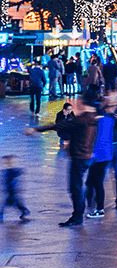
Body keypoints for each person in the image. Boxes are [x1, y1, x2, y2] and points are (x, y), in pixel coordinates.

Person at [27, 94, 98, 226]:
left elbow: (58, 126)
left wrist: (35, 129)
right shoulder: (93, 119)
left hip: (78, 157)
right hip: (87, 156)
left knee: (75, 188)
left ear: (83, 104)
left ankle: (77, 217)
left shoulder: (81, 120)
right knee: (78, 187)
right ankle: (80, 213)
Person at [0, 155, 30, 222]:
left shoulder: (12, 171)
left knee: (8, 204)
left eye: (6, 163)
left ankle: (24, 211)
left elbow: (13, 180)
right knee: (15, 203)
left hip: (12, 191)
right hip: (10, 191)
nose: (5, 164)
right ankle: (24, 211)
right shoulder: (8, 171)